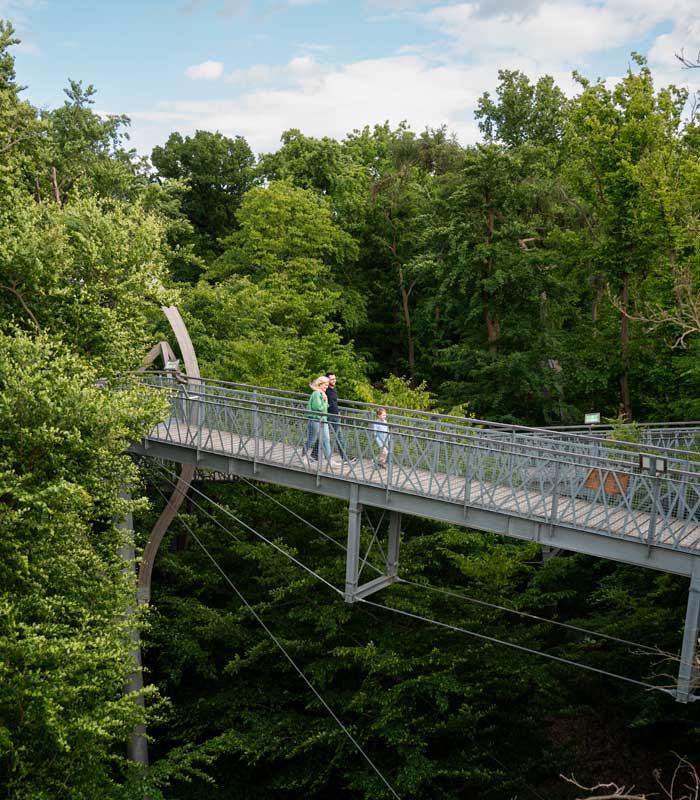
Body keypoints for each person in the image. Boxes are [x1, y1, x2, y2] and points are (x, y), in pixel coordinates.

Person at [325, 372, 354, 462]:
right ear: (327, 380)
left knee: (323, 436)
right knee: (339, 436)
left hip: (335, 415)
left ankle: (314, 455)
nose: (334, 380)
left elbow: (334, 403)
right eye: (332, 379)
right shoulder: (325, 390)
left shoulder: (334, 389)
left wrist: (338, 412)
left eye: (335, 379)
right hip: (329, 415)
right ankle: (345, 458)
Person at [303, 376, 331, 462]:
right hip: (315, 420)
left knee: (326, 439)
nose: (327, 387)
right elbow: (317, 407)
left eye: (327, 385)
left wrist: (325, 400)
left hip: (323, 420)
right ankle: (304, 456)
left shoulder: (322, 393)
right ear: (320, 384)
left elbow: (324, 408)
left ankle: (329, 460)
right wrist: (326, 401)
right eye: (325, 385)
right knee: (312, 439)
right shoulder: (316, 394)